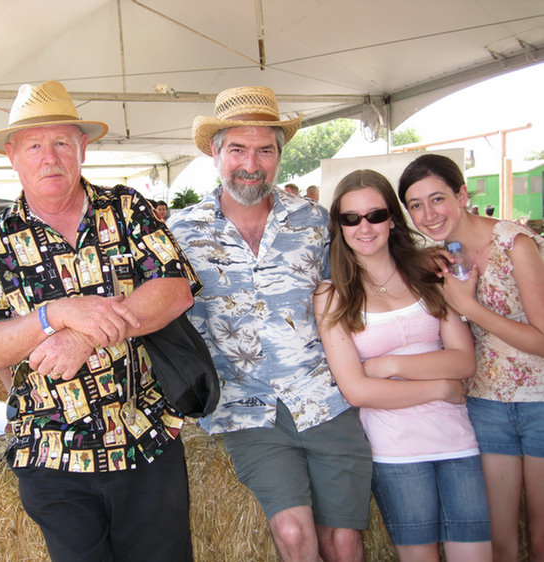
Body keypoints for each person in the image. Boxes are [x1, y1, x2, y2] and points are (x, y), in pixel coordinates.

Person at [0, 80, 199, 562]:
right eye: (33, 145)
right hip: (52, 452)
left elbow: (176, 289)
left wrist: (84, 337)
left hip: (144, 436)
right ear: (12, 155)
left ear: (83, 148)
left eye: (61, 143)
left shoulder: (127, 208)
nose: (49, 157)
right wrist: (56, 314)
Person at [168, 86, 372, 562]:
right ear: (215, 153)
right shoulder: (180, 233)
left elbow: (368, 273)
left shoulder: (316, 222)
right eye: (237, 149)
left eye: (265, 150)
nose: (251, 163)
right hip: (245, 404)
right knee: (295, 537)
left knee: (344, 542)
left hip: (325, 396)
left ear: (280, 156)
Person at [314, 169, 492, 562]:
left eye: (376, 215)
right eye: (351, 218)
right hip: (395, 452)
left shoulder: (427, 275)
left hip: (458, 441)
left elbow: (463, 360)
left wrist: (387, 364)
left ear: (392, 218)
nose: (365, 227)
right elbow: (358, 390)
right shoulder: (333, 295)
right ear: (338, 226)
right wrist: (439, 387)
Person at [398, 153, 544, 562]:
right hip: (485, 405)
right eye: (415, 205)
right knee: (499, 543)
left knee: (541, 537)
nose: (428, 214)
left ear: (462, 195)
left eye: (438, 198)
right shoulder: (440, 256)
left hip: (540, 402)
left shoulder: (513, 243)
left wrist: (470, 306)